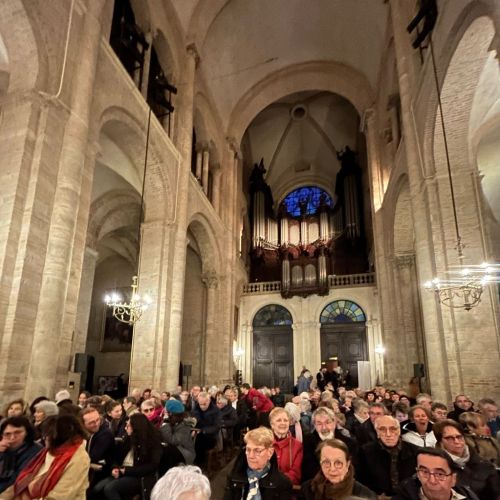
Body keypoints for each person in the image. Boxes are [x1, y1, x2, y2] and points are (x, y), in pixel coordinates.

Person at [12, 415, 90, 499]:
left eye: (47, 435)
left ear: (58, 437)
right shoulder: (48, 451)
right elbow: (24, 480)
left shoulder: (79, 458)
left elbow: (59, 496)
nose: (43, 438)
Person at [93, 413, 163, 500]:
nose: (125, 428)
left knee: (110, 488)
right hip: (122, 472)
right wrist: (114, 468)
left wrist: (126, 470)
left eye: (128, 426)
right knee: (97, 489)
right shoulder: (128, 439)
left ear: (136, 428)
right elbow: (116, 457)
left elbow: (151, 466)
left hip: (140, 477)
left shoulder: (152, 444)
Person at [433, 419, 500, 500]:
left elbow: (496, 494)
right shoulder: (436, 468)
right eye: (449, 438)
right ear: (440, 442)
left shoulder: (484, 464)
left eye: (459, 437)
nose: (456, 441)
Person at [357, 415, 419, 497]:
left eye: (393, 429)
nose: (388, 434)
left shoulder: (415, 451)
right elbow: (361, 480)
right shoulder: (364, 452)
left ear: (399, 431)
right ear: (377, 433)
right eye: (382, 429)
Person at [223, 426, 292, 499]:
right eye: (248, 450)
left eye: (257, 451)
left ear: (270, 452)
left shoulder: (282, 484)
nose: (251, 456)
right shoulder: (234, 477)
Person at [301, 438, 376, 499]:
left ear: (347, 464)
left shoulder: (366, 495)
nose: (332, 469)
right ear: (320, 463)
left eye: (338, 463)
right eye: (326, 462)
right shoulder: (307, 490)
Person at [393, 447, 480, 500]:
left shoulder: (469, 496)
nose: (432, 480)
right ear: (418, 474)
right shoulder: (403, 496)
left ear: (453, 479)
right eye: (425, 472)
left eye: (439, 474)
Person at [302, 407, 357, 482]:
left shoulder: (349, 444)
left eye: (327, 422)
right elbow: (308, 471)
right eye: (319, 424)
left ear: (334, 422)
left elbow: (353, 470)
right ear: (314, 425)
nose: (324, 428)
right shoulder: (307, 442)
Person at [0, 416, 42, 494]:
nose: (12, 438)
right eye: (7, 434)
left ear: (27, 433)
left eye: (17, 432)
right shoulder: (3, 448)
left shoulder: (35, 451)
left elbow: (17, 481)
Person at [81, 406, 115, 494]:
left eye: (97, 420)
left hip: (103, 473)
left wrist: (89, 464)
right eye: (91, 422)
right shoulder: (82, 434)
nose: (96, 424)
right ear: (83, 424)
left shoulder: (105, 434)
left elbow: (93, 457)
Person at [268, 407, 303, 485]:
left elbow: (295, 473)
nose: (283, 423)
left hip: (287, 488)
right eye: (279, 420)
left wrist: (277, 481)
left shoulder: (297, 445)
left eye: (285, 420)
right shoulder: (264, 442)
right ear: (272, 425)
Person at [160, 399, 195, 471]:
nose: (163, 410)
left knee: (166, 451)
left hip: (184, 452)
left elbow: (173, 441)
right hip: (171, 449)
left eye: (166, 410)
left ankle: (167, 475)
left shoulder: (184, 425)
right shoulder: (169, 420)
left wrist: (166, 422)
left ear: (171, 413)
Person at [193, 391, 222, 469]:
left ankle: (199, 464)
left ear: (208, 401)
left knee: (200, 440)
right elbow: (195, 418)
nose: (202, 406)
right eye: (200, 404)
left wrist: (203, 430)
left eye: (204, 404)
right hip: (197, 432)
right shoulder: (196, 407)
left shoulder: (216, 410)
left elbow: (217, 426)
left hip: (211, 436)